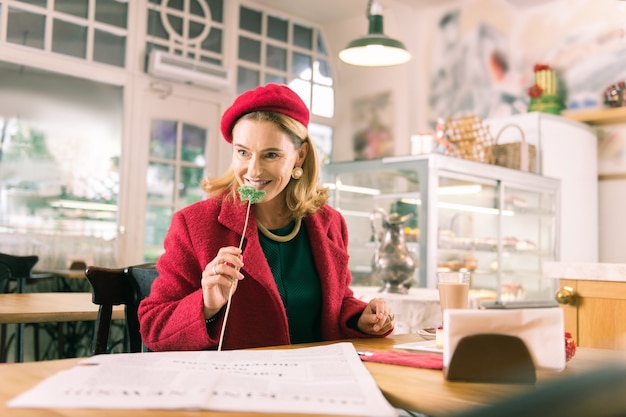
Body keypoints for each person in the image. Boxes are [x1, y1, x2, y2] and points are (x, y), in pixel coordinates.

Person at [138, 83, 395, 351]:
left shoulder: (329, 223)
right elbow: (154, 328)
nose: (253, 170)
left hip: (318, 381)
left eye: (271, 155)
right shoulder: (193, 224)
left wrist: (360, 318)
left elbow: (337, 302)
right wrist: (206, 303)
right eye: (243, 152)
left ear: (299, 156)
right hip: (238, 386)